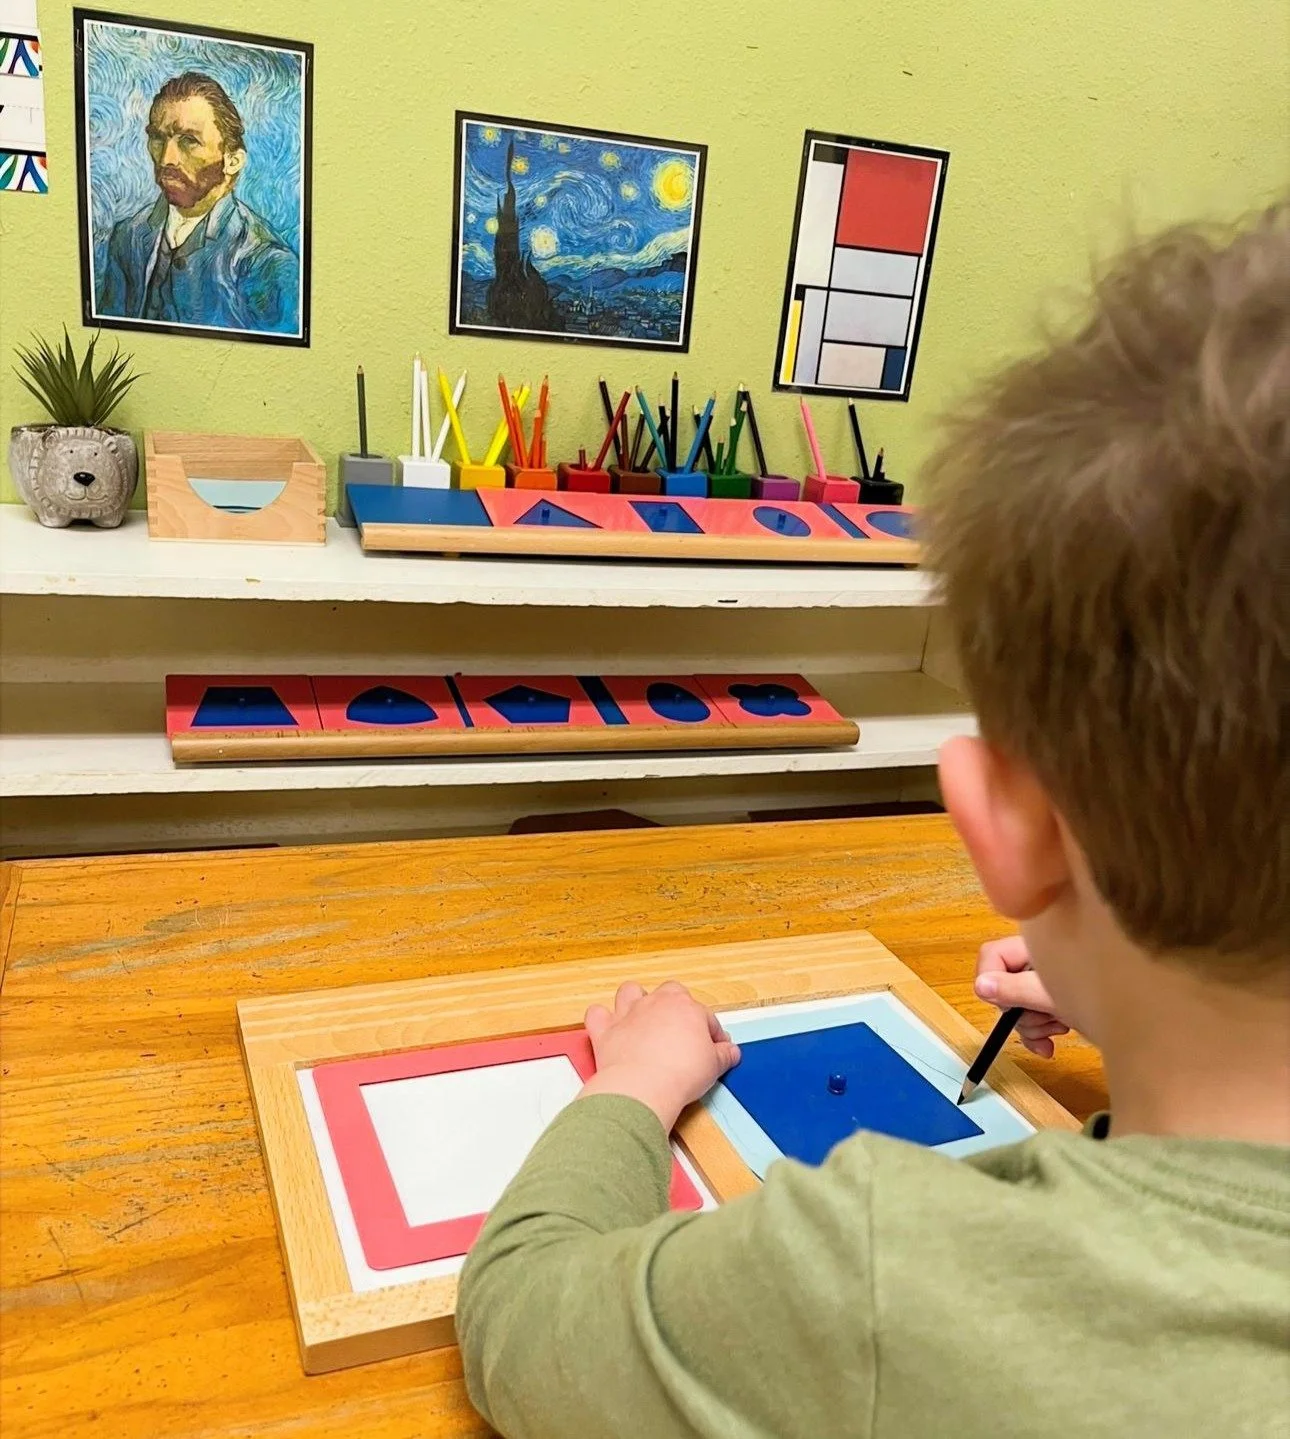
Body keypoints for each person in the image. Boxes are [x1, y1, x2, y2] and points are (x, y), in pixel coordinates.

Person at [455, 205, 1290, 1438]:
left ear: (1005, 828)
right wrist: (1143, 1011)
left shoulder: (886, 1278)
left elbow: (523, 1319)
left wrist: (633, 1084)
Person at [98, 72, 298, 335]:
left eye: (189, 141)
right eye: (158, 138)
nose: (166, 159)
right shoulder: (128, 237)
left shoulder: (266, 263)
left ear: (232, 160)